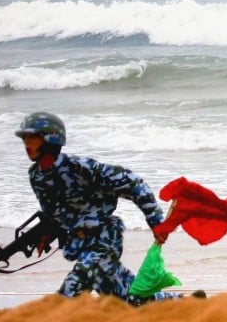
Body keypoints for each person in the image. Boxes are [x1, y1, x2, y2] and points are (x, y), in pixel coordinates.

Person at [15, 112, 181, 305]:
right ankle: (184, 303)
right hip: (81, 244)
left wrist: (156, 222)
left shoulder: (80, 168)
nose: (26, 143)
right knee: (128, 299)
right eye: (24, 138)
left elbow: (133, 183)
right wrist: (47, 234)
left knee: (72, 289)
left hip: (104, 239)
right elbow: (54, 213)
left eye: (32, 137)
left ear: (50, 138)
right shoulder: (37, 177)